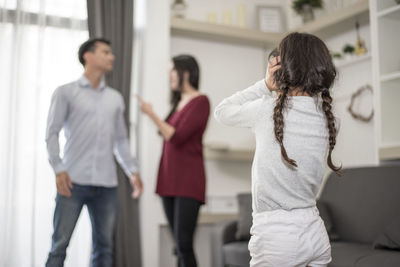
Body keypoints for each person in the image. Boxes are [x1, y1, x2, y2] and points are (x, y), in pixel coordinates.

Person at [214, 32, 341, 267]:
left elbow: (222, 111)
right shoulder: (328, 116)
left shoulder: (266, 109)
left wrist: (265, 85)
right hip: (315, 231)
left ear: (286, 68)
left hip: (277, 237)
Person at [45, 38, 143, 267]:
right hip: (72, 182)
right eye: (105, 52)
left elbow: (120, 140)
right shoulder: (65, 92)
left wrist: (133, 172)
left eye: (111, 53)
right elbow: (52, 133)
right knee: (59, 245)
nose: (112, 57)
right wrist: (58, 168)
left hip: (107, 185)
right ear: (87, 56)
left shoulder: (115, 99)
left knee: (104, 248)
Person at [137, 55, 210, 267]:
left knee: (184, 245)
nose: (169, 75)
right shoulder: (178, 103)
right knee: (178, 247)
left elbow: (175, 136)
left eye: (173, 70)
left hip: (188, 181)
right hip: (169, 179)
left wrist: (151, 114)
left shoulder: (201, 101)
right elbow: (168, 134)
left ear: (185, 73)